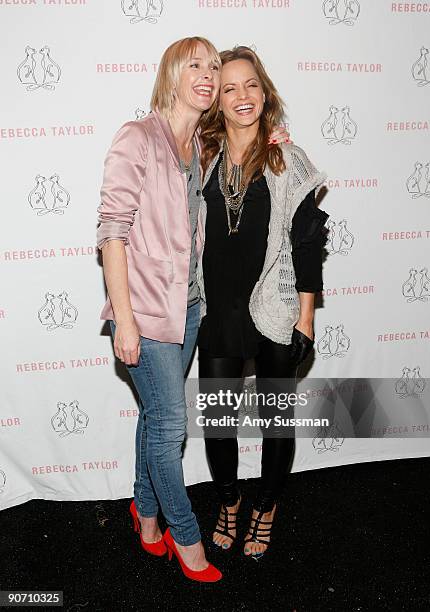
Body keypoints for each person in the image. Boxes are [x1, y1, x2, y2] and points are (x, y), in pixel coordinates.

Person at [96, 37, 288, 582]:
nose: (207, 75)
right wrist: (124, 320)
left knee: (155, 417)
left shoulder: (199, 148)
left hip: (192, 311)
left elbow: (250, 150)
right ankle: (186, 537)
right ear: (171, 74)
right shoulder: (137, 138)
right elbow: (112, 233)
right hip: (147, 314)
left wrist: (275, 138)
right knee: (171, 428)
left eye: (214, 67)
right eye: (196, 66)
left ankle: (145, 511)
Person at [197, 46, 329, 560]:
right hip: (219, 311)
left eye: (250, 84)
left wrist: (307, 318)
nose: (241, 95)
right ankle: (229, 502)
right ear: (218, 102)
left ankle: (267, 506)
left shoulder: (286, 159)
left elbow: (307, 242)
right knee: (219, 422)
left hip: (275, 306)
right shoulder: (201, 160)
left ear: (264, 91)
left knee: (277, 420)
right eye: (229, 88)